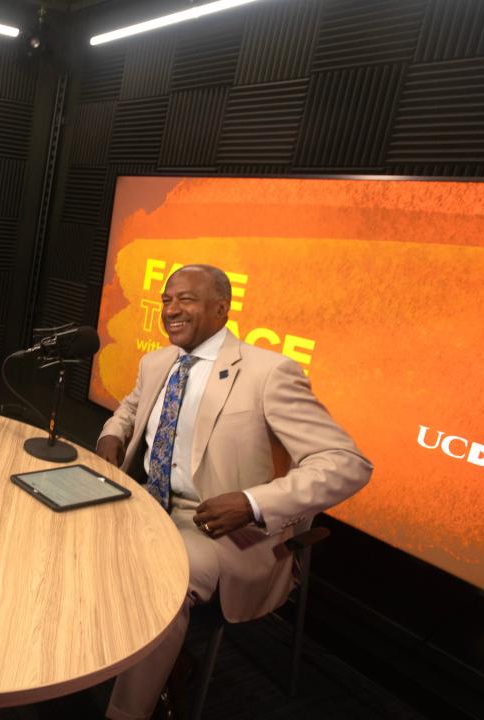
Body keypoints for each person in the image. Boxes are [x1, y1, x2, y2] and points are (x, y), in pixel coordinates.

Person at [95, 264, 372, 720]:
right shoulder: (157, 361)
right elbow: (130, 408)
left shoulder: (269, 372)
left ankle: (127, 712)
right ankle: (104, 653)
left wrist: (253, 502)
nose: (171, 309)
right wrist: (112, 436)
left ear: (221, 308)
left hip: (218, 529)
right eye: (166, 300)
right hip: (146, 502)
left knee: (160, 581)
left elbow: (347, 463)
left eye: (186, 299)